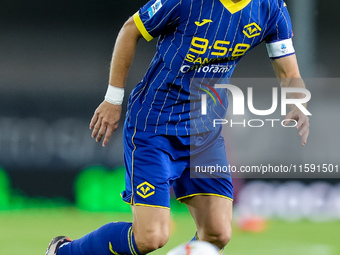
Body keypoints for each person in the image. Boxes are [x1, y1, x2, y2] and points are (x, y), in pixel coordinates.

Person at [46, 0, 310, 254]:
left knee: (218, 233)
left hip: (205, 134)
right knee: (151, 237)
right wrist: (113, 99)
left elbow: (288, 71)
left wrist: (298, 103)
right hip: (154, 128)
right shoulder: (185, 1)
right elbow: (130, 30)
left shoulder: (270, 7)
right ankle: (64, 251)